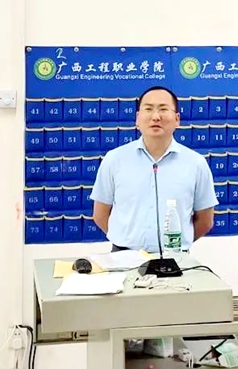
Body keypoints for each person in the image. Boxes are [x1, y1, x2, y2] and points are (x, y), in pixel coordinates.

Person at [91, 85, 219, 253]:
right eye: (149, 109)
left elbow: (205, 221)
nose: (156, 117)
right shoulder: (115, 159)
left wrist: (177, 244)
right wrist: (125, 243)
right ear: (137, 118)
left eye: (163, 109)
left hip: (176, 258)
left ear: (177, 119)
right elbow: (100, 214)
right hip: (123, 258)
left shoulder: (196, 163)